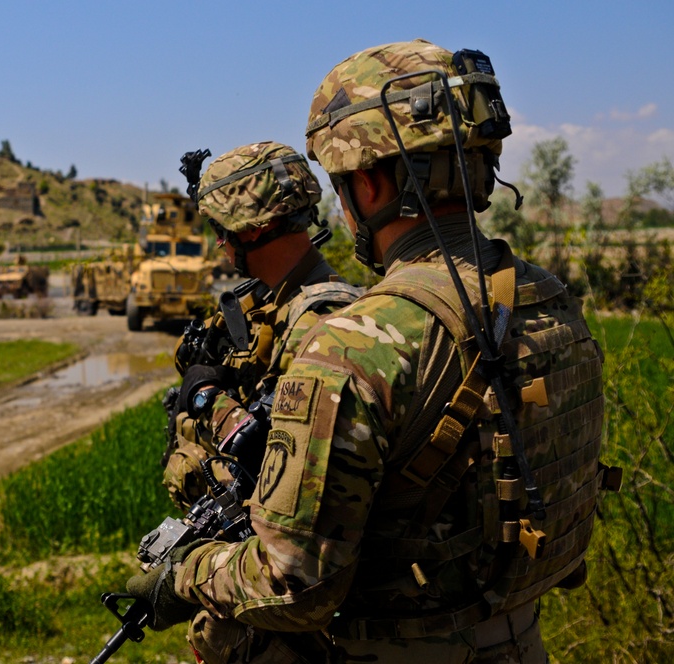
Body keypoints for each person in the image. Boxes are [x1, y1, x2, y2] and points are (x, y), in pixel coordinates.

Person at [128, 39, 612, 663]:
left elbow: (292, 584)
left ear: (369, 182)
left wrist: (184, 575)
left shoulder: (355, 346)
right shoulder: (550, 300)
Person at [162, 141, 363, 513]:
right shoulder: (283, 304)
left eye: (220, 231)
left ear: (254, 229)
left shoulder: (318, 323)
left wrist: (206, 397)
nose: (220, 245)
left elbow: (275, 461)